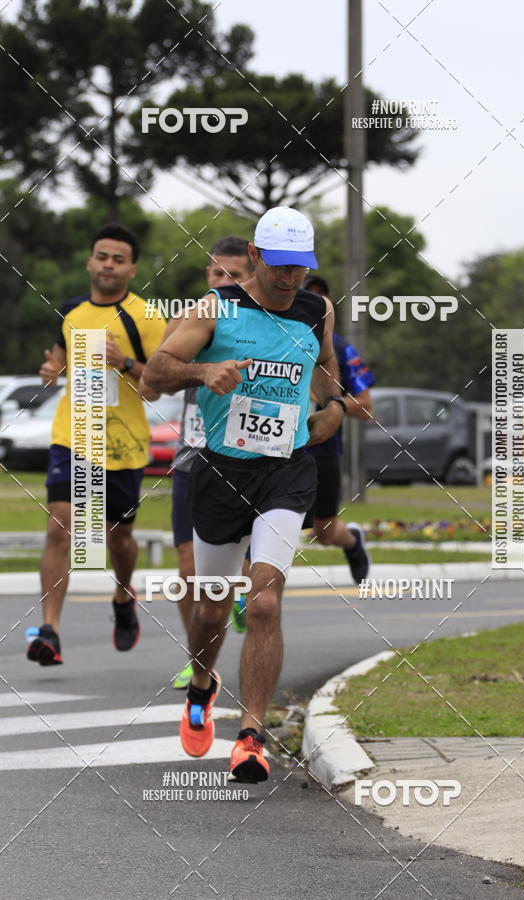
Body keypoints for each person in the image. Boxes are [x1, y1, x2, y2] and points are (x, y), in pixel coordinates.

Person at [144, 206, 346, 783]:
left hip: (285, 471)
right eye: (280, 267)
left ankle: (252, 736)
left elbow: (326, 364)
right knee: (211, 608)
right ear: (254, 257)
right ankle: (202, 685)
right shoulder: (216, 308)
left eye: (300, 269)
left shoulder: (316, 309)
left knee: (263, 602)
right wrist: (202, 374)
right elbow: (155, 373)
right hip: (218, 473)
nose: (290, 281)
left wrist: (331, 406)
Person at [26, 224, 166, 666]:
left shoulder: (145, 317)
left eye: (118, 259)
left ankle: (124, 596)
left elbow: (159, 384)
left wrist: (124, 362)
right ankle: (50, 630)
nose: (108, 265)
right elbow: (59, 360)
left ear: (132, 268)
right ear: (90, 262)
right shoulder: (69, 310)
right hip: (73, 435)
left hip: (122, 443)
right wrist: (52, 369)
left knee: (118, 538)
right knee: (59, 525)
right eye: (102, 256)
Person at [162, 236, 254, 689]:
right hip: (193, 458)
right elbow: (151, 384)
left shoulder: (260, 321)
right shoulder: (191, 318)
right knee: (187, 572)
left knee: (254, 578)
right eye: (217, 274)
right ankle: (199, 659)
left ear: (251, 275)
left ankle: (237, 593)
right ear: (207, 276)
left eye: (234, 276)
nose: (224, 283)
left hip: (249, 459)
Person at [303, 274, 374, 584]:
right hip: (273, 450)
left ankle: (353, 541)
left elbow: (366, 406)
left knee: (325, 532)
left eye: (322, 300)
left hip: (323, 450)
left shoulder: (341, 349)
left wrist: (335, 406)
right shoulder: (267, 335)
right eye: (308, 297)